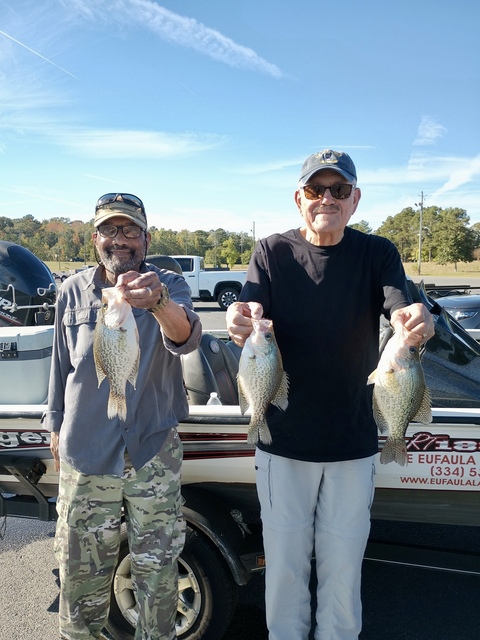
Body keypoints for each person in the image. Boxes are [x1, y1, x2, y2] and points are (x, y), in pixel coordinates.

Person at [226, 150, 435, 640]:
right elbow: (249, 306)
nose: (327, 199)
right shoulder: (270, 251)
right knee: (284, 568)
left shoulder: (377, 252)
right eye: (316, 190)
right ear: (299, 198)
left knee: (343, 569)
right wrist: (240, 320)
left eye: (339, 191)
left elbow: (399, 305)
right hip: (282, 442)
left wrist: (416, 319)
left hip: (353, 443)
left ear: (355, 200)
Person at [43, 193, 202, 640]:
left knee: (159, 572)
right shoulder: (72, 290)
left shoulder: (169, 284)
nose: (120, 240)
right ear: (95, 238)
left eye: (130, 230)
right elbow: (59, 364)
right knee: (80, 576)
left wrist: (158, 302)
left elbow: (187, 336)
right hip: (86, 451)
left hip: (152, 448)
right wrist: (54, 425)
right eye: (110, 230)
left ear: (146, 238)